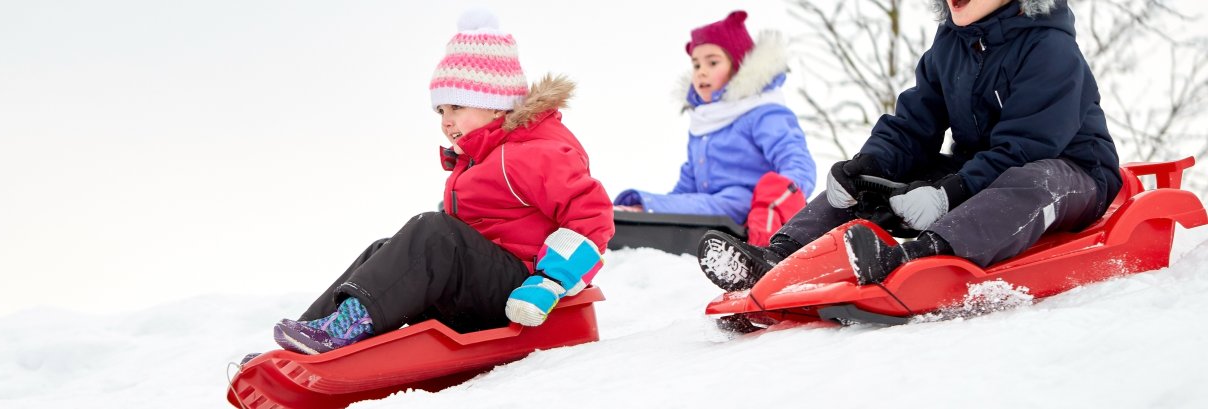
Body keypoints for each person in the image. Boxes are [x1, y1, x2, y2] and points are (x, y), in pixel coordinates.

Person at [697, 0, 1121, 291]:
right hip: (981, 173)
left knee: (1032, 179)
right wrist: (866, 164)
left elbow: (1027, 147)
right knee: (875, 179)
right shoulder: (950, 44)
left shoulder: (1051, 49)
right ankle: (776, 257)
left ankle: (921, 257)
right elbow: (913, 124)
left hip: (1072, 173)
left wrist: (949, 193)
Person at [269, 8, 615, 355]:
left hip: (524, 292)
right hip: (483, 289)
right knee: (384, 249)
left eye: (457, 107)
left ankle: (346, 328)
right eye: (441, 112)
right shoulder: (482, 158)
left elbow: (592, 218)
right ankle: (307, 339)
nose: (446, 122)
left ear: (496, 105)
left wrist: (551, 282)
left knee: (433, 233)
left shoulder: (533, 152)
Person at [613, 11, 816, 243]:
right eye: (696, 64)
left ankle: (642, 210)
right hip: (708, 207)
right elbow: (689, 184)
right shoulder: (705, 122)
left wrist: (779, 198)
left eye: (712, 62)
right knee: (691, 203)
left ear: (738, 65)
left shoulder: (763, 112)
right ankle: (639, 216)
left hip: (749, 206)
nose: (701, 71)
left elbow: (797, 161)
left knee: (721, 200)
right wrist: (663, 210)